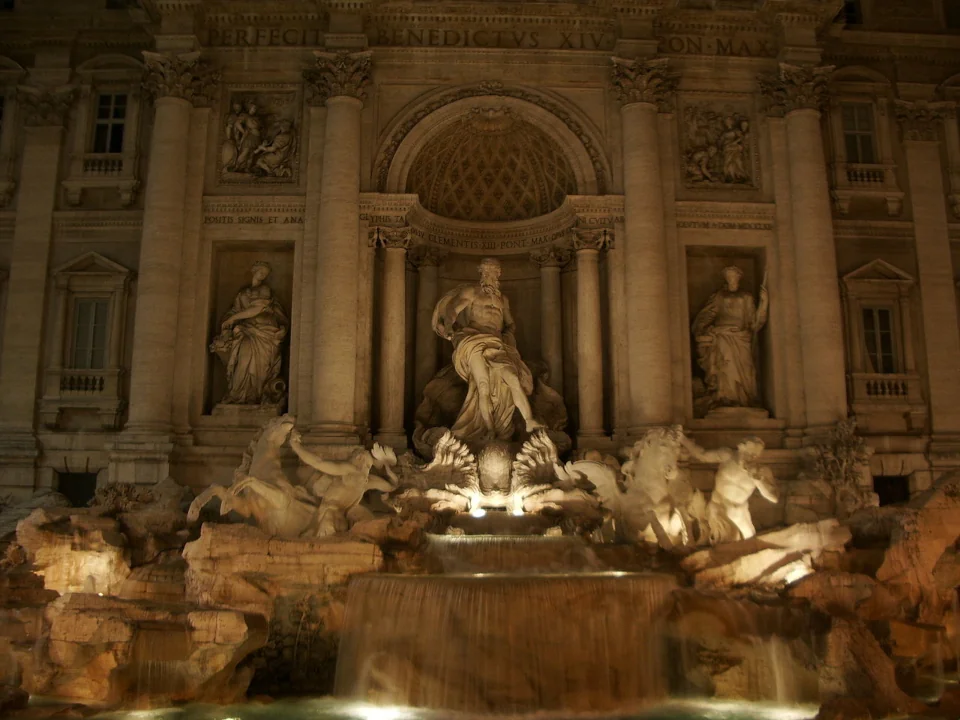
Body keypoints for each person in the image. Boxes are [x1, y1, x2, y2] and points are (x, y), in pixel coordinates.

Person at [432, 257, 542, 443]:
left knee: (513, 377)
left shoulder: (502, 299)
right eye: (488, 271)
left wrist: (508, 334)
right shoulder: (472, 292)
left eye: (495, 272)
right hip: (474, 340)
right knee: (482, 386)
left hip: (497, 343)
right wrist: (450, 327)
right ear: (481, 273)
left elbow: (510, 323)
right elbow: (452, 310)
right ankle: (490, 429)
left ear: (499, 275)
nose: (491, 275)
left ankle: (529, 420)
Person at [211, 261, 289, 404]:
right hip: (246, 332)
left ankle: (255, 396)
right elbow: (234, 311)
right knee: (242, 361)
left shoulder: (265, 290)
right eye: (261, 272)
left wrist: (234, 318)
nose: (263, 275)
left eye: (265, 274)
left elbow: (257, 309)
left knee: (260, 367)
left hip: (265, 332)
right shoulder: (242, 293)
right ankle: (238, 395)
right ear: (254, 271)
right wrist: (228, 322)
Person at [692, 265, 768, 411]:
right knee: (724, 367)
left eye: (734, 275)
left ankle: (744, 399)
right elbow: (707, 315)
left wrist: (764, 303)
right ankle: (725, 398)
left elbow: (754, 322)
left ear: (739, 277)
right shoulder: (719, 296)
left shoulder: (747, 297)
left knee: (745, 367)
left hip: (741, 337)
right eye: (728, 276)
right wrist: (703, 330)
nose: (731, 278)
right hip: (722, 336)